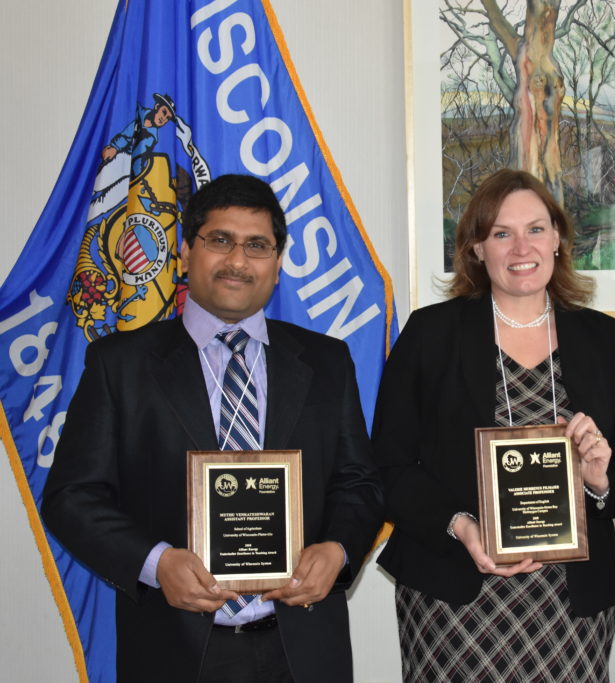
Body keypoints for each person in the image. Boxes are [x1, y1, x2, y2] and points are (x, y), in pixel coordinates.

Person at [42, 174, 383, 683]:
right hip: (175, 650)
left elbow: (360, 483)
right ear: (184, 252)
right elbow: (71, 496)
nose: (238, 261)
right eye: (219, 240)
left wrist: (337, 549)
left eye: (257, 246)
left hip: (304, 649)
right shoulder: (120, 366)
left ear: (278, 263)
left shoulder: (327, 362)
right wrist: (156, 564)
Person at [372, 168, 615, 681]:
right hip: (452, 597)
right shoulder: (430, 335)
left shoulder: (608, 340)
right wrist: (460, 526)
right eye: (501, 233)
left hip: (569, 605)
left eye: (536, 229)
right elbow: (388, 467)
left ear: (559, 239)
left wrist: (600, 481)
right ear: (478, 248)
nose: (522, 247)